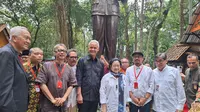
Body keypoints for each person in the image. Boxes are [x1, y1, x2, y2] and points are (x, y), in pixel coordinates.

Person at [36, 44, 77, 112]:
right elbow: (42, 83)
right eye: (59, 50)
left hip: (62, 105)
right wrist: (52, 100)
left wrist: (63, 98)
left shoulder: (69, 69)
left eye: (64, 51)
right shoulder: (46, 66)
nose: (62, 52)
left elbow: (71, 85)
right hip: (48, 105)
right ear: (54, 52)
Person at [0, 26, 31, 112]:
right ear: (14, 38)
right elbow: (4, 89)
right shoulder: (6, 53)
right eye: (26, 38)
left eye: (29, 39)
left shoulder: (15, 54)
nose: (28, 41)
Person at [76, 40, 104, 112]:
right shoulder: (82, 61)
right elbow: (79, 78)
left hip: (95, 96)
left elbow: (101, 80)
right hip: (84, 96)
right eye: (91, 47)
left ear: (98, 49)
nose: (93, 49)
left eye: (95, 48)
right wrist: (79, 94)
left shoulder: (100, 64)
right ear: (88, 48)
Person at [23, 47, 43, 112]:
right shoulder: (23, 67)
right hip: (26, 99)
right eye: (36, 54)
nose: (40, 56)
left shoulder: (43, 67)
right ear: (29, 55)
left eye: (41, 54)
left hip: (40, 99)